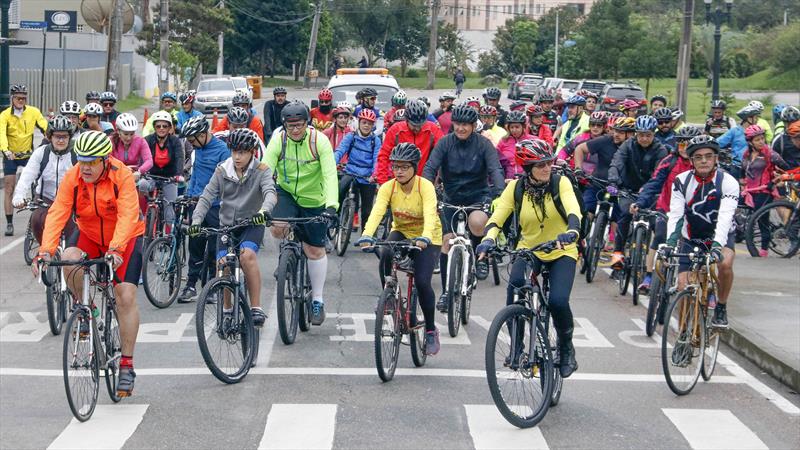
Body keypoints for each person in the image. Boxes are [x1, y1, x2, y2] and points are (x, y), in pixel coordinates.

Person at [34, 130, 145, 397]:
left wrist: (117, 249)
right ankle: (88, 308)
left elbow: (128, 214)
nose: (84, 167)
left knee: (125, 296)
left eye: (91, 161)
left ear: (105, 160)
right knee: (68, 258)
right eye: (81, 160)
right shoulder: (74, 176)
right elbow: (59, 211)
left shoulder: (122, 176)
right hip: (90, 233)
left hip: (125, 237)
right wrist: (45, 251)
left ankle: (127, 364)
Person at [476, 139, 581, 378]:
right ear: (527, 168)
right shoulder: (515, 188)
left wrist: (572, 231)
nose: (547, 168)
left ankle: (566, 348)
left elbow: (573, 209)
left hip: (561, 249)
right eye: (540, 164)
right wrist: (489, 239)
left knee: (557, 301)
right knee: (515, 289)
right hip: (529, 249)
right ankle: (517, 348)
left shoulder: (560, 182)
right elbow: (498, 217)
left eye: (549, 162)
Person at [356, 143, 444, 355]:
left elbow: (431, 214)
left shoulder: (425, 187)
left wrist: (425, 237)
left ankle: (431, 330)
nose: (399, 171)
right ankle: (389, 295)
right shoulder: (389, 187)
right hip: (402, 232)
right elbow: (377, 211)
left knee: (422, 281)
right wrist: (367, 235)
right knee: (386, 252)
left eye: (404, 167)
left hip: (428, 236)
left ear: (414, 167)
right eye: (396, 167)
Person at [189, 128, 276, 327]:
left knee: (247, 256)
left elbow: (270, 192)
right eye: (234, 151)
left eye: (243, 152)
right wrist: (196, 221)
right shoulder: (222, 170)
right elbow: (206, 197)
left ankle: (256, 307)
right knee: (223, 265)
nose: (237, 156)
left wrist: (264, 211)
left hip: (251, 223)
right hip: (227, 226)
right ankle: (227, 310)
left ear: (252, 152)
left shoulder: (262, 170)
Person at [262, 101, 339, 325]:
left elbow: (330, 176)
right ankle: (285, 256)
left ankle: (317, 300)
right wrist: (262, 206)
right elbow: (265, 171)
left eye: (299, 125)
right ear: (284, 125)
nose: (295, 130)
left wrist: (331, 206)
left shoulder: (319, 141)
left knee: (315, 250)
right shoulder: (279, 139)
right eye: (290, 125)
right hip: (286, 193)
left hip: (314, 198)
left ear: (308, 123)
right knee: (277, 227)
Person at [422, 104, 505, 307]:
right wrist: (426, 191)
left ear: (473, 125)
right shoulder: (444, 143)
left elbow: (495, 169)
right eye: (458, 124)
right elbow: (430, 168)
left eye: (466, 125)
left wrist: (499, 191)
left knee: (477, 223)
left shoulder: (484, 145)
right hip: (451, 197)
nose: (461, 128)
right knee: (447, 240)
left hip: (478, 196)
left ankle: (479, 258)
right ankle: (446, 292)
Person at [665, 135, 740, 327]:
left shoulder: (728, 182)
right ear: (691, 161)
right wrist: (669, 244)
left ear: (716, 158)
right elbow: (676, 214)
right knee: (684, 286)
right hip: (692, 237)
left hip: (720, 236)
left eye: (708, 156)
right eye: (698, 157)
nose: (704, 160)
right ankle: (683, 335)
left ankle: (721, 306)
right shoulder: (681, 181)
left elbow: (725, 216)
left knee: (725, 264)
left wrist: (716, 246)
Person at [630, 125, 702, 292]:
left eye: (689, 145)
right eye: (681, 144)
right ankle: (649, 275)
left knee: (696, 247)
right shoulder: (669, 161)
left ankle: (705, 286)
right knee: (660, 236)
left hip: (694, 213)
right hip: (667, 208)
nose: (684, 148)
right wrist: (640, 202)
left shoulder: (701, 164)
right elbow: (654, 183)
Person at [176, 115, 230, 303]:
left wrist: (214, 197)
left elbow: (225, 181)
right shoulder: (198, 149)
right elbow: (196, 175)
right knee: (195, 245)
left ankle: (213, 286)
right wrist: (189, 195)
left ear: (203, 134)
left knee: (216, 247)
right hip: (197, 205)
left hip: (215, 206)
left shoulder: (223, 151)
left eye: (192, 140)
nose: (191, 144)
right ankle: (191, 284)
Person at [607, 115, 669, 269]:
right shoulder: (627, 145)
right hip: (629, 189)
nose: (644, 138)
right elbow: (617, 163)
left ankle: (659, 261)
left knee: (656, 223)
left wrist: (647, 188)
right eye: (641, 135)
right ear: (635, 134)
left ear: (654, 134)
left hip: (650, 192)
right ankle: (618, 253)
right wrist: (613, 180)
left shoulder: (661, 150)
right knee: (625, 215)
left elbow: (658, 173)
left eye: (648, 135)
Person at [12, 115, 78, 245]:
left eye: (64, 136)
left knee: (72, 229)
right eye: (57, 136)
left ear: (69, 137)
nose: (60, 140)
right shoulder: (41, 153)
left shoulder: (76, 154)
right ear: (50, 137)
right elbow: (27, 175)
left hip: (69, 199)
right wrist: (19, 195)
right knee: (36, 220)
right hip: (45, 198)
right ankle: (45, 251)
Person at [1, 84, 48, 235]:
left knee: (38, 186)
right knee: (9, 187)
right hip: (11, 155)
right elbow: (1, 134)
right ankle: (9, 223)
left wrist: (49, 135)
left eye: (24, 98)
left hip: (28, 155)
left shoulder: (33, 112)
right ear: (12, 99)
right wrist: (6, 151)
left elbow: (45, 127)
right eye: (18, 98)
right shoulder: (5, 115)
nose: (21, 100)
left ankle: (37, 218)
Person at [741, 125, 790, 257]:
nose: (761, 142)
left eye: (762, 138)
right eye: (757, 140)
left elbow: (787, 170)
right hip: (749, 191)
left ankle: (763, 251)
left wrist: (775, 181)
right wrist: (741, 183)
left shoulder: (771, 154)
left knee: (761, 221)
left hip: (765, 191)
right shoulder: (746, 154)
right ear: (750, 142)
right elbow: (742, 170)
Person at [574, 117, 636, 216]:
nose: (616, 134)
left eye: (621, 132)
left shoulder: (636, 148)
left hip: (620, 191)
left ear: (631, 134)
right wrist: (578, 169)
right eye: (616, 130)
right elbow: (579, 149)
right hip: (597, 184)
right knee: (585, 213)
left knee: (618, 221)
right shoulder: (606, 140)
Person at [374, 100, 443, 184]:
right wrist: (382, 182)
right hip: (399, 180)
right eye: (414, 125)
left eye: (420, 125)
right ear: (406, 120)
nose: (417, 128)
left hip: (423, 180)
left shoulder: (433, 129)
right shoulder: (395, 130)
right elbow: (383, 156)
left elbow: (443, 152)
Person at [335, 109, 382, 232]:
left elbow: (377, 159)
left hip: (367, 177)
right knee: (340, 189)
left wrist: (374, 174)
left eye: (370, 123)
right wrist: (332, 163)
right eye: (364, 122)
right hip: (351, 172)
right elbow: (340, 150)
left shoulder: (375, 140)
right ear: (359, 123)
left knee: (367, 210)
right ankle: (336, 217)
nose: (366, 126)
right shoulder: (352, 136)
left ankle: (367, 235)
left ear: (373, 125)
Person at [141, 111, 184, 225]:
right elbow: (142, 157)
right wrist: (140, 171)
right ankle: (144, 211)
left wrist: (178, 174)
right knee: (142, 185)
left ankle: (169, 239)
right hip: (152, 176)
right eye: (158, 126)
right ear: (154, 127)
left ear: (170, 127)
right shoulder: (148, 140)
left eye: (165, 126)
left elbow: (180, 157)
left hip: (170, 178)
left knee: (169, 215)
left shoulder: (175, 141)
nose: (161, 129)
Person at [717, 105, 761, 178]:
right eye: (755, 117)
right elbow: (718, 143)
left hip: (754, 167)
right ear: (748, 118)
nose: (757, 120)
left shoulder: (758, 131)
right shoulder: (735, 131)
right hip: (737, 167)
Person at [497, 110, 535, 179]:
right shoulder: (503, 141)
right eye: (512, 127)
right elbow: (496, 159)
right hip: (507, 179)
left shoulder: (533, 140)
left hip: (527, 179)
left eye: (517, 127)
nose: (514, 130)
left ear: (523, 127)